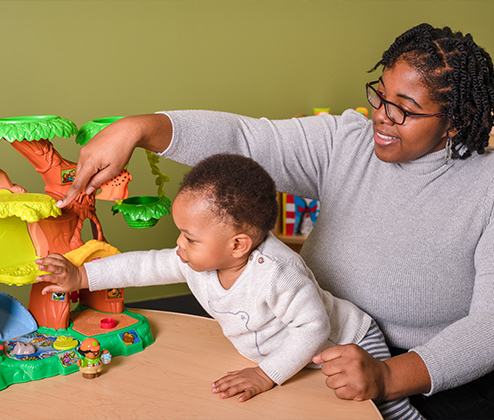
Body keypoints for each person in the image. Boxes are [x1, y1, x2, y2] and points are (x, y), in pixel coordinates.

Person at [55, 23, 494, 419]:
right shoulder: (347, 141)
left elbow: (487, 329)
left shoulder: (487, 189)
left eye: (405, 108)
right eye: (380, 94)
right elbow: (246, 139)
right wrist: (138, 128)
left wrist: (387, 377)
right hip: (309, 347)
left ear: (457, 123)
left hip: (424, 374)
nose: (381, 115)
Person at [38, 154, 420, 419]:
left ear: (238, 245)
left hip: (349, 340)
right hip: (292, 354)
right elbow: (144, 264)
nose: (178, 245)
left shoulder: (276, 272)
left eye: (189, 237)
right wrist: (81, 277)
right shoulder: (200, 258)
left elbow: (314, 328)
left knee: (385, 408)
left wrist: (265, 374)